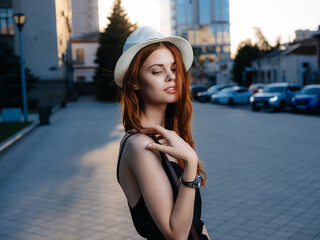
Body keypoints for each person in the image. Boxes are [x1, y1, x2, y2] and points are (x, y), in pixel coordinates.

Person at [115, 26, 210, 240]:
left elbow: (195, 222)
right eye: (157, 71)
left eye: (175, 69)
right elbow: (176, 234)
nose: (171, 77)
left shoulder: (166, 137)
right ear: (135, 82)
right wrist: (191, 162)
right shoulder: (141, 145)